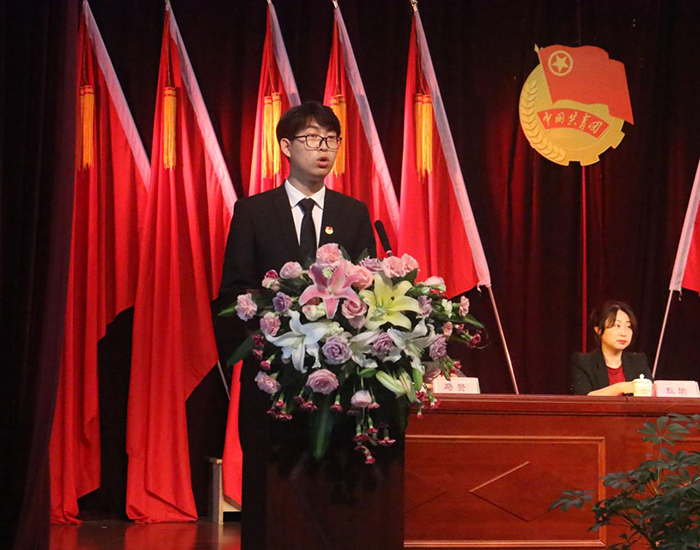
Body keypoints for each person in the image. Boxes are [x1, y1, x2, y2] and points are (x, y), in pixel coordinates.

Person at [216, 101, 377, 549]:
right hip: (274, 379)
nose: (323, 148)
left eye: (331, 139)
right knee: (271, 494)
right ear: (286, 146)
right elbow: (234, 292)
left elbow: (369, 283)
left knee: (330, 499)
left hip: (338, 381)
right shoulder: (253, 211)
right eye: (311, 138)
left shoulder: (353, 213)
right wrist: (272, 334)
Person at [570, 301, 652, 396]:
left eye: (628, 326)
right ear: (599, 330)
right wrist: (620, 388)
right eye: (617, 325)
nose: (623, 333)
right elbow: (583, 399)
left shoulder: (638, 362)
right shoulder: (583, 362)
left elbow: (652, 395)